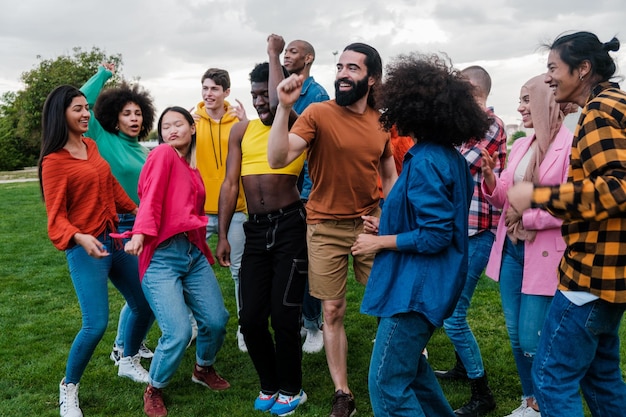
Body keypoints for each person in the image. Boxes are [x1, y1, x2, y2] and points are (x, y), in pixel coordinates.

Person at [352, 52, 490, 417]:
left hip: (415, 292)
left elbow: (436, 236)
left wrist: (377, 241)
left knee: (386, 383)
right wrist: (386, 225)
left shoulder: (427, 160)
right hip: (427, 286)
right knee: (413, 372)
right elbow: (435, 219)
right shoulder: (447, 158)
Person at [268, 42, 398, 417]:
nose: (343, 73)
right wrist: (284, 108)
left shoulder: (381, 122)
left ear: (372, 78)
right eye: (340, 66)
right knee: (332, 310)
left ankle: (401, 369)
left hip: (369, 227)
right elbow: (278, 157)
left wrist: (388, 215)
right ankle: (343, 392)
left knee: (389, 301)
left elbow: (388, 172)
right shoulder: (318, 114)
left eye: (353, 68)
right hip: (324, 226)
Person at [508, 31, 626, 417]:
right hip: (609, 278)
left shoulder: (599, 113)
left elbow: (616, 188)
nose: (547, 79)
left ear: (583, 69)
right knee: (601, 377)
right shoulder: (614, 104)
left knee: (550, 378)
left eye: (553, 68)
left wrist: (537, 196)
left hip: (591, 277)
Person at [38, 85, 152, 417]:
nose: (85, 113)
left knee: (144, 303)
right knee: (95, 324)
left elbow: (112, 189)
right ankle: (69, 387)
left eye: (86, 107)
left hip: (113, 238)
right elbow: (55, 218)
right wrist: (79, 237)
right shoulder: (54, 162)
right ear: (61, 115)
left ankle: (127, 359)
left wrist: (141, 217)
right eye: (77, 108)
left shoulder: (90, 146)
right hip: (86, 249)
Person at [118, 107, 230, 417]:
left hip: (191, 254)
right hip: (162, 257)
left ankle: (203, 368)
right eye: (165, 126)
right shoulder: (164, 155)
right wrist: (140, 234)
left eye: (177, 124)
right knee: (178, 331)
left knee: (217, 320)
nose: (171, 130)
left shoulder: (191, 167)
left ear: (192, 128)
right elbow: (150, 197)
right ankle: (154, 387)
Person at [217, 62, 308, 416]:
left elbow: (281, 98)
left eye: (264, 94)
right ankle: (269, 383)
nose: (259, 101)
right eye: (253, 95)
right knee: (251, 319)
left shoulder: (296, 126)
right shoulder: (240, 131)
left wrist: (274, 55)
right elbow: (229, 184)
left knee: (285, 317)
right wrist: (223, 234)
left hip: (290, 227)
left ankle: (292, 388)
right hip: (254, 228)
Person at [481, 74, 575, 417]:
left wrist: (528, 214)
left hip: (544, 253)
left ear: (544, 103)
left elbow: (569, 205)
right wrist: (492, 179)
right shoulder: (522, 144)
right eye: (520, 101)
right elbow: (505, 195)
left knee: (533, 338)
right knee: (515, 332)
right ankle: (530, 399)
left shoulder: (570, 146)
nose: (520, 108)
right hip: (512, 249)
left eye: (525, 100)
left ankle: (544, 399)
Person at [434, 65, 507, 417]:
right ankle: (465, 367)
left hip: (480, 233)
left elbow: (458, 168)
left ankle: (483, 392)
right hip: (463, 231)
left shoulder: (490, 125)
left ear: (472, 90)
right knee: (450, 307)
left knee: (454, 316)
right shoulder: (465, 129)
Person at [79, 63, 157, 372]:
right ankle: (123, 348)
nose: (134, 119)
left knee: (140, 292)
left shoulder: (145, 152)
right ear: (114, 116)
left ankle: (129, 344)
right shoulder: (101, 137)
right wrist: (102, 74)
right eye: (127, 113)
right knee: (138, 293)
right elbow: (81, 99)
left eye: (138, 113)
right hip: (118, 226)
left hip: (144, 226)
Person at [267, 33, 329, 354]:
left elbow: (311, 147)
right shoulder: (288, 88)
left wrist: (272, 53)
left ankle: (313, 323)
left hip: (307, 190)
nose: (286, 55)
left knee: (308, 261)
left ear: (308, 59)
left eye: (293, 52)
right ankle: (305, 320)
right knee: (293, 259)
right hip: (288, 188)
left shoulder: (315, 94)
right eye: (285, 51)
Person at [193, 67, 248, 352]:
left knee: (240, 271)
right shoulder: (193, 120)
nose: (208, 94)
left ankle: (245, 327)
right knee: (189, 266)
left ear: (226, 92)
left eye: (214, 89)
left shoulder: (238, 120)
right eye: (205, 88)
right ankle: (192, 324)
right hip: (199, 212)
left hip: (236, 208)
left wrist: (247, 123)